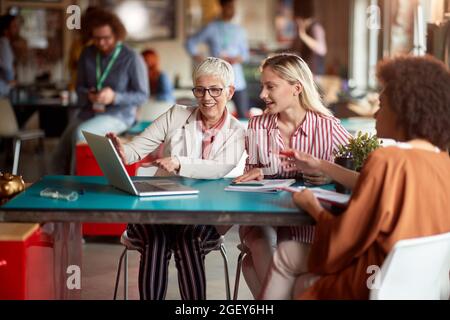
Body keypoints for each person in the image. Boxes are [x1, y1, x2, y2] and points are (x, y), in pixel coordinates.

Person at [260, 55, 450, 300]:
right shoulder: (442, 162)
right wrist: (320, 163)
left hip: (373, 276)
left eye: (382, 105)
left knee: (289, 257)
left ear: (404, 110)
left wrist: (313, 207)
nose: (375, 114)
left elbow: (341, 242)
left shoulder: (386, 160)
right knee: (299, 276)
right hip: (419, 284)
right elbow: (374, 185)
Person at [107, 57, 245, 300]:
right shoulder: (176, 115)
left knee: (188, 240)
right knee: (156, 240)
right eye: (200, 90)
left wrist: (179, 162)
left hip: (205, 217)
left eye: (215, 90)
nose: (206, 97)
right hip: (160, 209)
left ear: (230, 91)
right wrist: (122, 151)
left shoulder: (237, 132)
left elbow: (219, 168)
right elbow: (134, 151)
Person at [233, 53, 351, 298]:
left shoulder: (328, 127)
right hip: (264, 220)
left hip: (309, 223)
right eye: (263, 86)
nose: (263, 94)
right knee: (260, 241)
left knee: (250, 266)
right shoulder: (257, 125)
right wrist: (253, 173)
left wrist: (329, 176)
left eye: (270, 87)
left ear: (296, 88)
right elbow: (249, 178)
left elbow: (357, 172)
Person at [51, 9, 149, 174]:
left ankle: (78, 185)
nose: (102, 43)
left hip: (119, 115)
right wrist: (88, 95)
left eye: (107, 38)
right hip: (89, 112)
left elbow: (142, 95)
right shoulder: (87, 54)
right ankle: (58, 188)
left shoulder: (131, 57)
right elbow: (79, 87)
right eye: (97, 38)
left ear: (117, 35)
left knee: (81, 135)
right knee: (59, 152)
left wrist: (114, 97)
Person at [185, 0, 250, 119]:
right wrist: (203, 60)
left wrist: (236, 59)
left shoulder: (239, 30)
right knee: (213, 115)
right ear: (222, 7)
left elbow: (245, 54)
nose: (231, 10)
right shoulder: (211, 28)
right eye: (229, 7)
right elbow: (190, 43)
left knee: (242, 116)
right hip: (215, 81)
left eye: (233, 7)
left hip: (238, 81)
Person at [290, 0, 327, 75]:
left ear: (300, 18)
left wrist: (303, 36)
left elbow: (322, 50)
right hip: (306, 71)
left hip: (316, 74)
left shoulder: (316, 28)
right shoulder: (302, 29)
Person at [0, 14, 19, 98]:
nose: (17, 29)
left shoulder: (5, 43)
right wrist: (12, 82)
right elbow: (8, 71)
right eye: (14, 26)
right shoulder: (3, 44)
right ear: (5, 30)